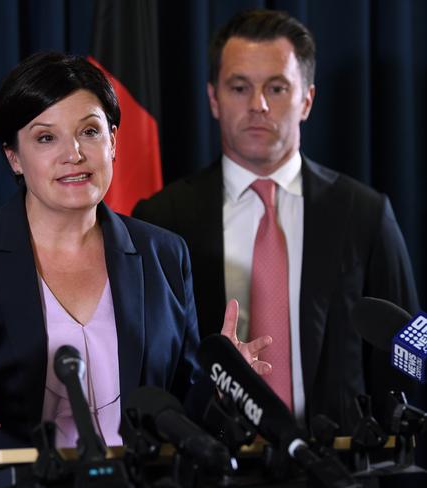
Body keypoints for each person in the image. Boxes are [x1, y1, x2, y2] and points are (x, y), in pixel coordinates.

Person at [0, 52, 269, 466]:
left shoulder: (164, 254)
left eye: (90, 132)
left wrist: (226, 388)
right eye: (46, 137)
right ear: (14, 157)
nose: (74, 154)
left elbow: (184, 415)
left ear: (113, 142)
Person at [133, 10, 420, 433]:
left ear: (307, 99)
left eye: (277, 87)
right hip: (213, 468)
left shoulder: (365, 213)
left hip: (337, 467)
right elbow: (152, 374)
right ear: (213, 98)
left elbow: (405, 366)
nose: (258, 105)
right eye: (239, 87)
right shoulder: (161, 220)